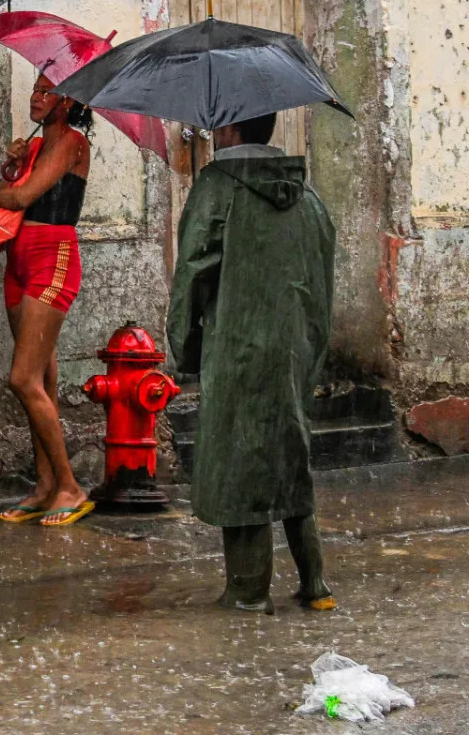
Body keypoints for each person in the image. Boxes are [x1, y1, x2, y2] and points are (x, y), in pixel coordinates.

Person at [167, 112, 336, 614]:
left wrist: (187, 349)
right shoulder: (306, 195)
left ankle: (248, 587)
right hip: (294, 349)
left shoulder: (219, 187)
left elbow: (192, 271)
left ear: (229, 130)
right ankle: (315, 582)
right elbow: (323, 278)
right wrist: (310, 348)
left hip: (237, 346)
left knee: (241, 460)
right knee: (288, 452)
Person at [0, 75, 94, 528]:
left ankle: (70, 486)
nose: (36, 96)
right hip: (19, 258)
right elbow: (19, 186)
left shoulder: (71, 142)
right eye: (36, 88)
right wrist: (12, 165)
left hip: (53, 257)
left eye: (48, 91)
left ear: (69, 101)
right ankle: (45, 486)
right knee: (40, 376)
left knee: (23, 378)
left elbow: (24, 198)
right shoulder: (38, 145)